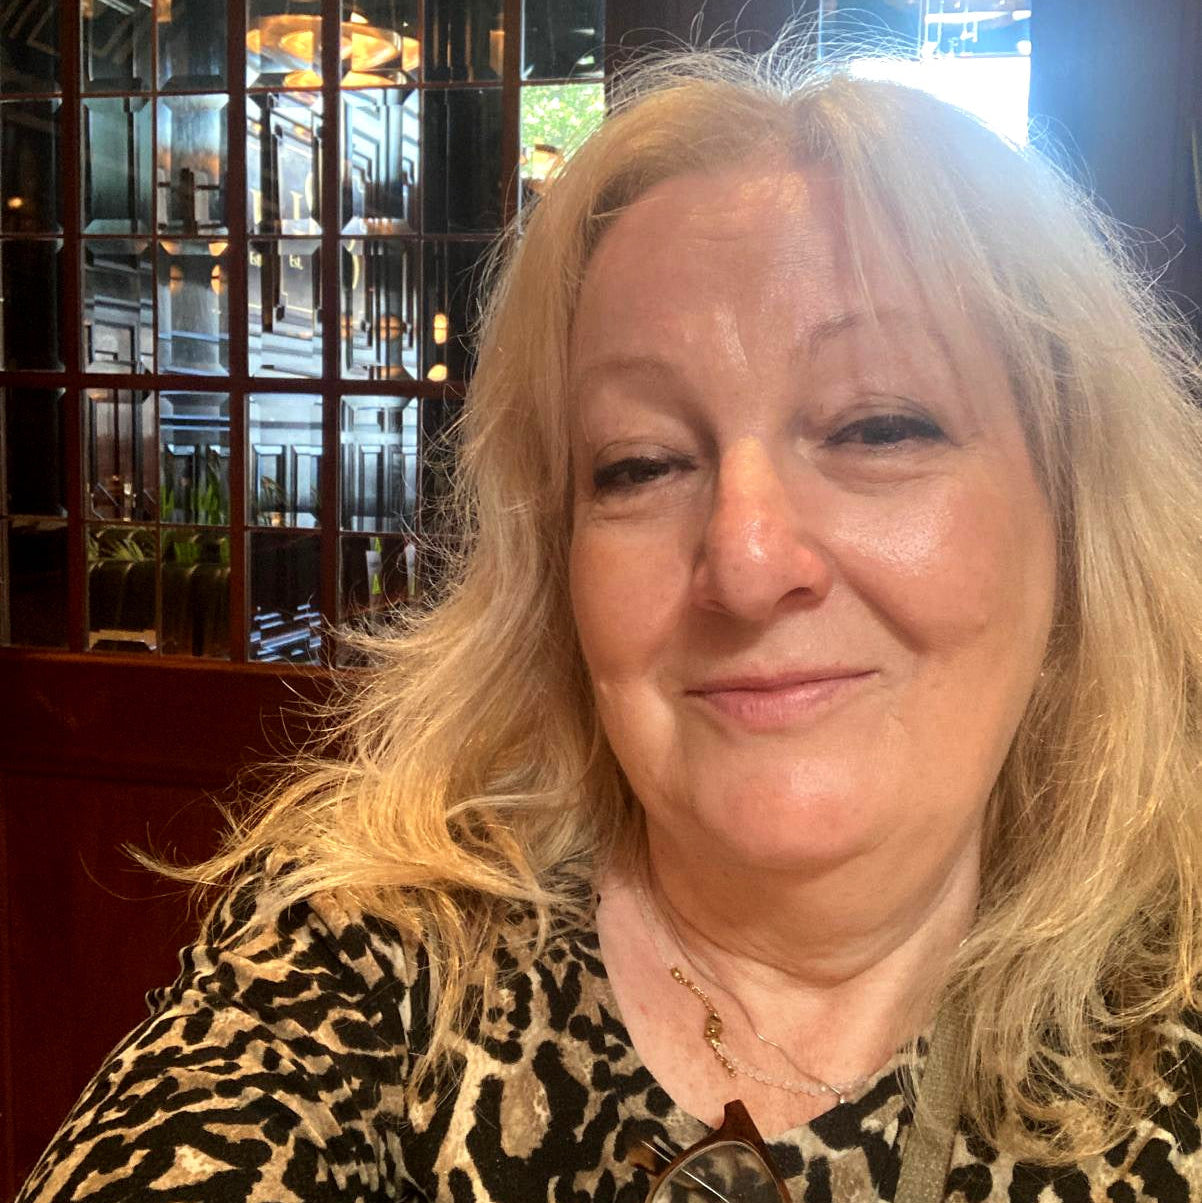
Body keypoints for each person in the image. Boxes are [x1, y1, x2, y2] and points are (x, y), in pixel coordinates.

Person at [19, 44, 1202, 1203]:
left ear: (1071, 514)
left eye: (876, 428)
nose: (745, 564)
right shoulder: (369, 946)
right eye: (640, 464)